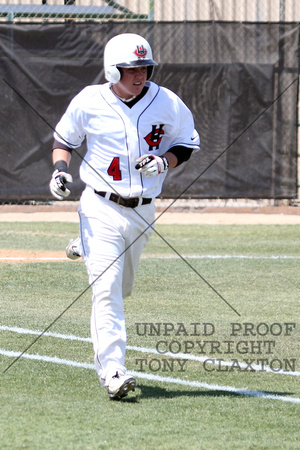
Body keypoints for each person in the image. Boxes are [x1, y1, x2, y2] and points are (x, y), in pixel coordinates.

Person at [49, 33, 200, 400]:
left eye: (144, 67)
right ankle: (113, 371)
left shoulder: (166, 101)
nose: (140, 74)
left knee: (122, 287)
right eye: (131, 68)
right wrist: (58, 171)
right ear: (111, 69)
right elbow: (64, 140)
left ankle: (84, 246)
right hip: (99, 205)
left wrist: (165, 161)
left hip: (142, 211)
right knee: (107, 291)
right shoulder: (90, 100)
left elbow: (187, 142)